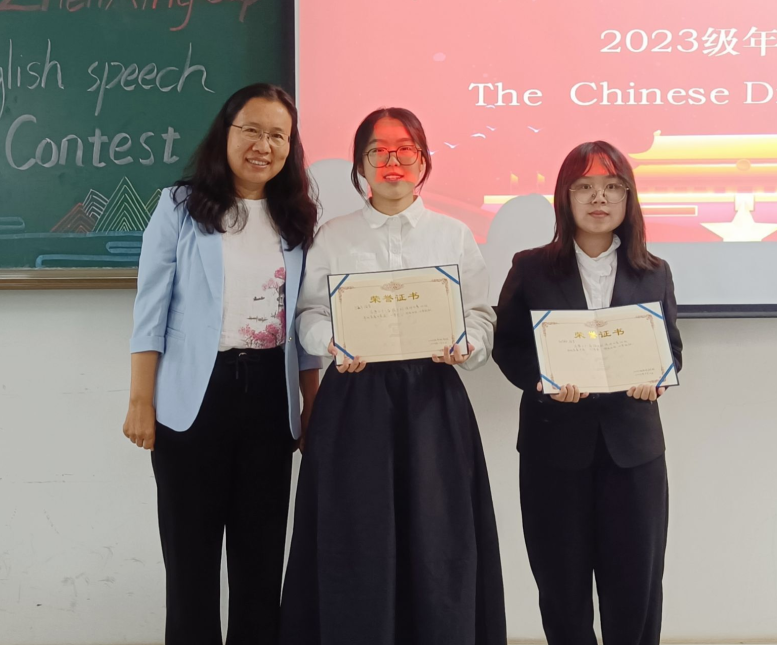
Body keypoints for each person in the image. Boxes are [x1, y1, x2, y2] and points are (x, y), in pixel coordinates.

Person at [280, 107, 507, 645]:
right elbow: (308, 314)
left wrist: (467, 344)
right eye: (377, 151)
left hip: (433, 402)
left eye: (405, 150)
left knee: (438, 536)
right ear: (360, 165)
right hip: (354, 402)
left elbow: (480, 317)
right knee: (357, 536)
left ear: (423, 161)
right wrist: (330, 340)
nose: (392, 161)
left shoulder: (453, 235)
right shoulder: (333, 237)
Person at [123, 83, 321, 645]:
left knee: (261, 561)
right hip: (193, 398)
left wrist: (312, 404)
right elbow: (150, 308)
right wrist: (141, 400)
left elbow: (303, 318)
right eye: (251, 130)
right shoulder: (180, 206)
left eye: (278, 136)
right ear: (226, 134)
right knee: (191, 562)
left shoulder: (296, 216)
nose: (264, 145)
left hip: (270, 398)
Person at [492, 141, 683, 645]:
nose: (599, 198)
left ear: (628, 198)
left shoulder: (654, 271)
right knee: (562, 590)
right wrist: (543, 381)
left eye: (612, 187)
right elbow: (508, 346)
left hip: (634, 453)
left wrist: (657, 377)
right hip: (553, 450)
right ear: (565, 196)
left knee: (636, 591)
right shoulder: (531, 267)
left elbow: (671, 350)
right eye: (585, 187)